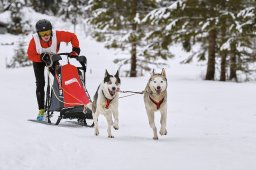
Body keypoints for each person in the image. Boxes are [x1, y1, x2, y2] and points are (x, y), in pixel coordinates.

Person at [27, 19, 81, 121]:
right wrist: (41, 57)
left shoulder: (58, 35)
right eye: (43, 33)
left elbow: (72, 37)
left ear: (51, 31)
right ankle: (42, 110)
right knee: (40, 83)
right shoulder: (34, 40)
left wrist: (75, 49)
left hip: (53, 59)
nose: (46, 35)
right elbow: (30, 55)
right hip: (38, 61)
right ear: (38, 34)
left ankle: (69, 104)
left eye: (47, 32)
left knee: (62, 79)